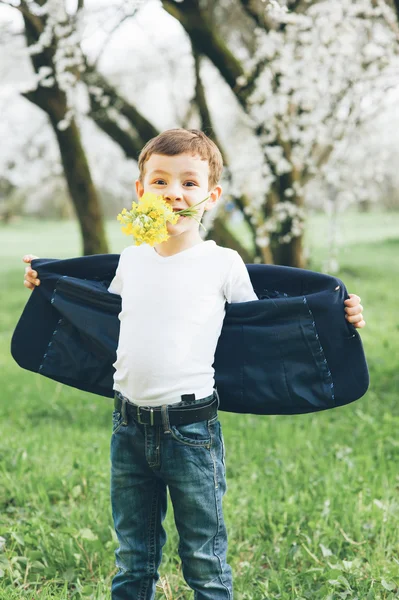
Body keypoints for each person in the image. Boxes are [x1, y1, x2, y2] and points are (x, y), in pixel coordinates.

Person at [22, 129, 365, 599]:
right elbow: (94, 310)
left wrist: (339, 317)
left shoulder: (222, 263)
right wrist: (48, 283)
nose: (174, 194)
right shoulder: (132, 260)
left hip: (191, 431)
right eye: (160, 182)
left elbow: (266, 326)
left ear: (211, 197)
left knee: (203, 557)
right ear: (141, 192)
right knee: (132, 556)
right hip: (127, 427)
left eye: (189, 183)